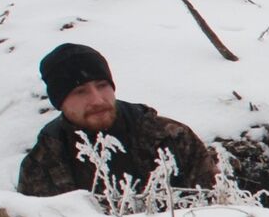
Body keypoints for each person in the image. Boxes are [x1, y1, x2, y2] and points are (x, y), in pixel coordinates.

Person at [17, 43, 218, 198]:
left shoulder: (170, 137)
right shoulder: (43, 162)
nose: (97, 100)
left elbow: (215, 207)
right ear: (60, 102)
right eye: (80, 92)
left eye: (102, 85)